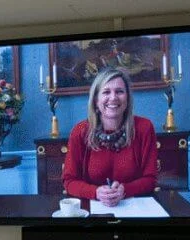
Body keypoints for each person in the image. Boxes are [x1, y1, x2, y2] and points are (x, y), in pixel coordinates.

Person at [61, 69, 158, 206]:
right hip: (92, 209)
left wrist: (125, 190)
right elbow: (69, 181)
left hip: (135, 208)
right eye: (106, 92)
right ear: (96, 100)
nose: (113, 98)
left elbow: (150, 179)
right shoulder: (80, 131)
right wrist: (96, 192)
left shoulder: (144, 128)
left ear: (128, 98)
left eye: (119, 91)